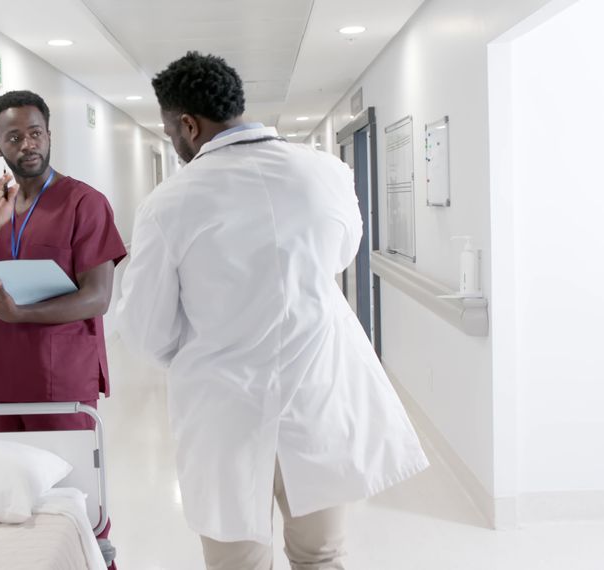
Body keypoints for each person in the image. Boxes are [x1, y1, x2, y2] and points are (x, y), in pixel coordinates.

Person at [115, 52, 429, 570]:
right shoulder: (327, 172)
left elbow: (146, 330)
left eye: (171, 130)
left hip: (224, 412)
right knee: (321, 557)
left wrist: (201, 342)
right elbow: (341, 254)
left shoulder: (169, 203)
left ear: (188, 125)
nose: (174, 141)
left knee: (236, 563)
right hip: (319, 397)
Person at [0, 90, 125, 569]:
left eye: (35, 133)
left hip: (63, 376)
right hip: (5, 377)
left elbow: (98, 297)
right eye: (14, 137)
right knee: (15, 497)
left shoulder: (84, 202)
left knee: (80, 499)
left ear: (49, 136)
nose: (27, 144)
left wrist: (19, 315)